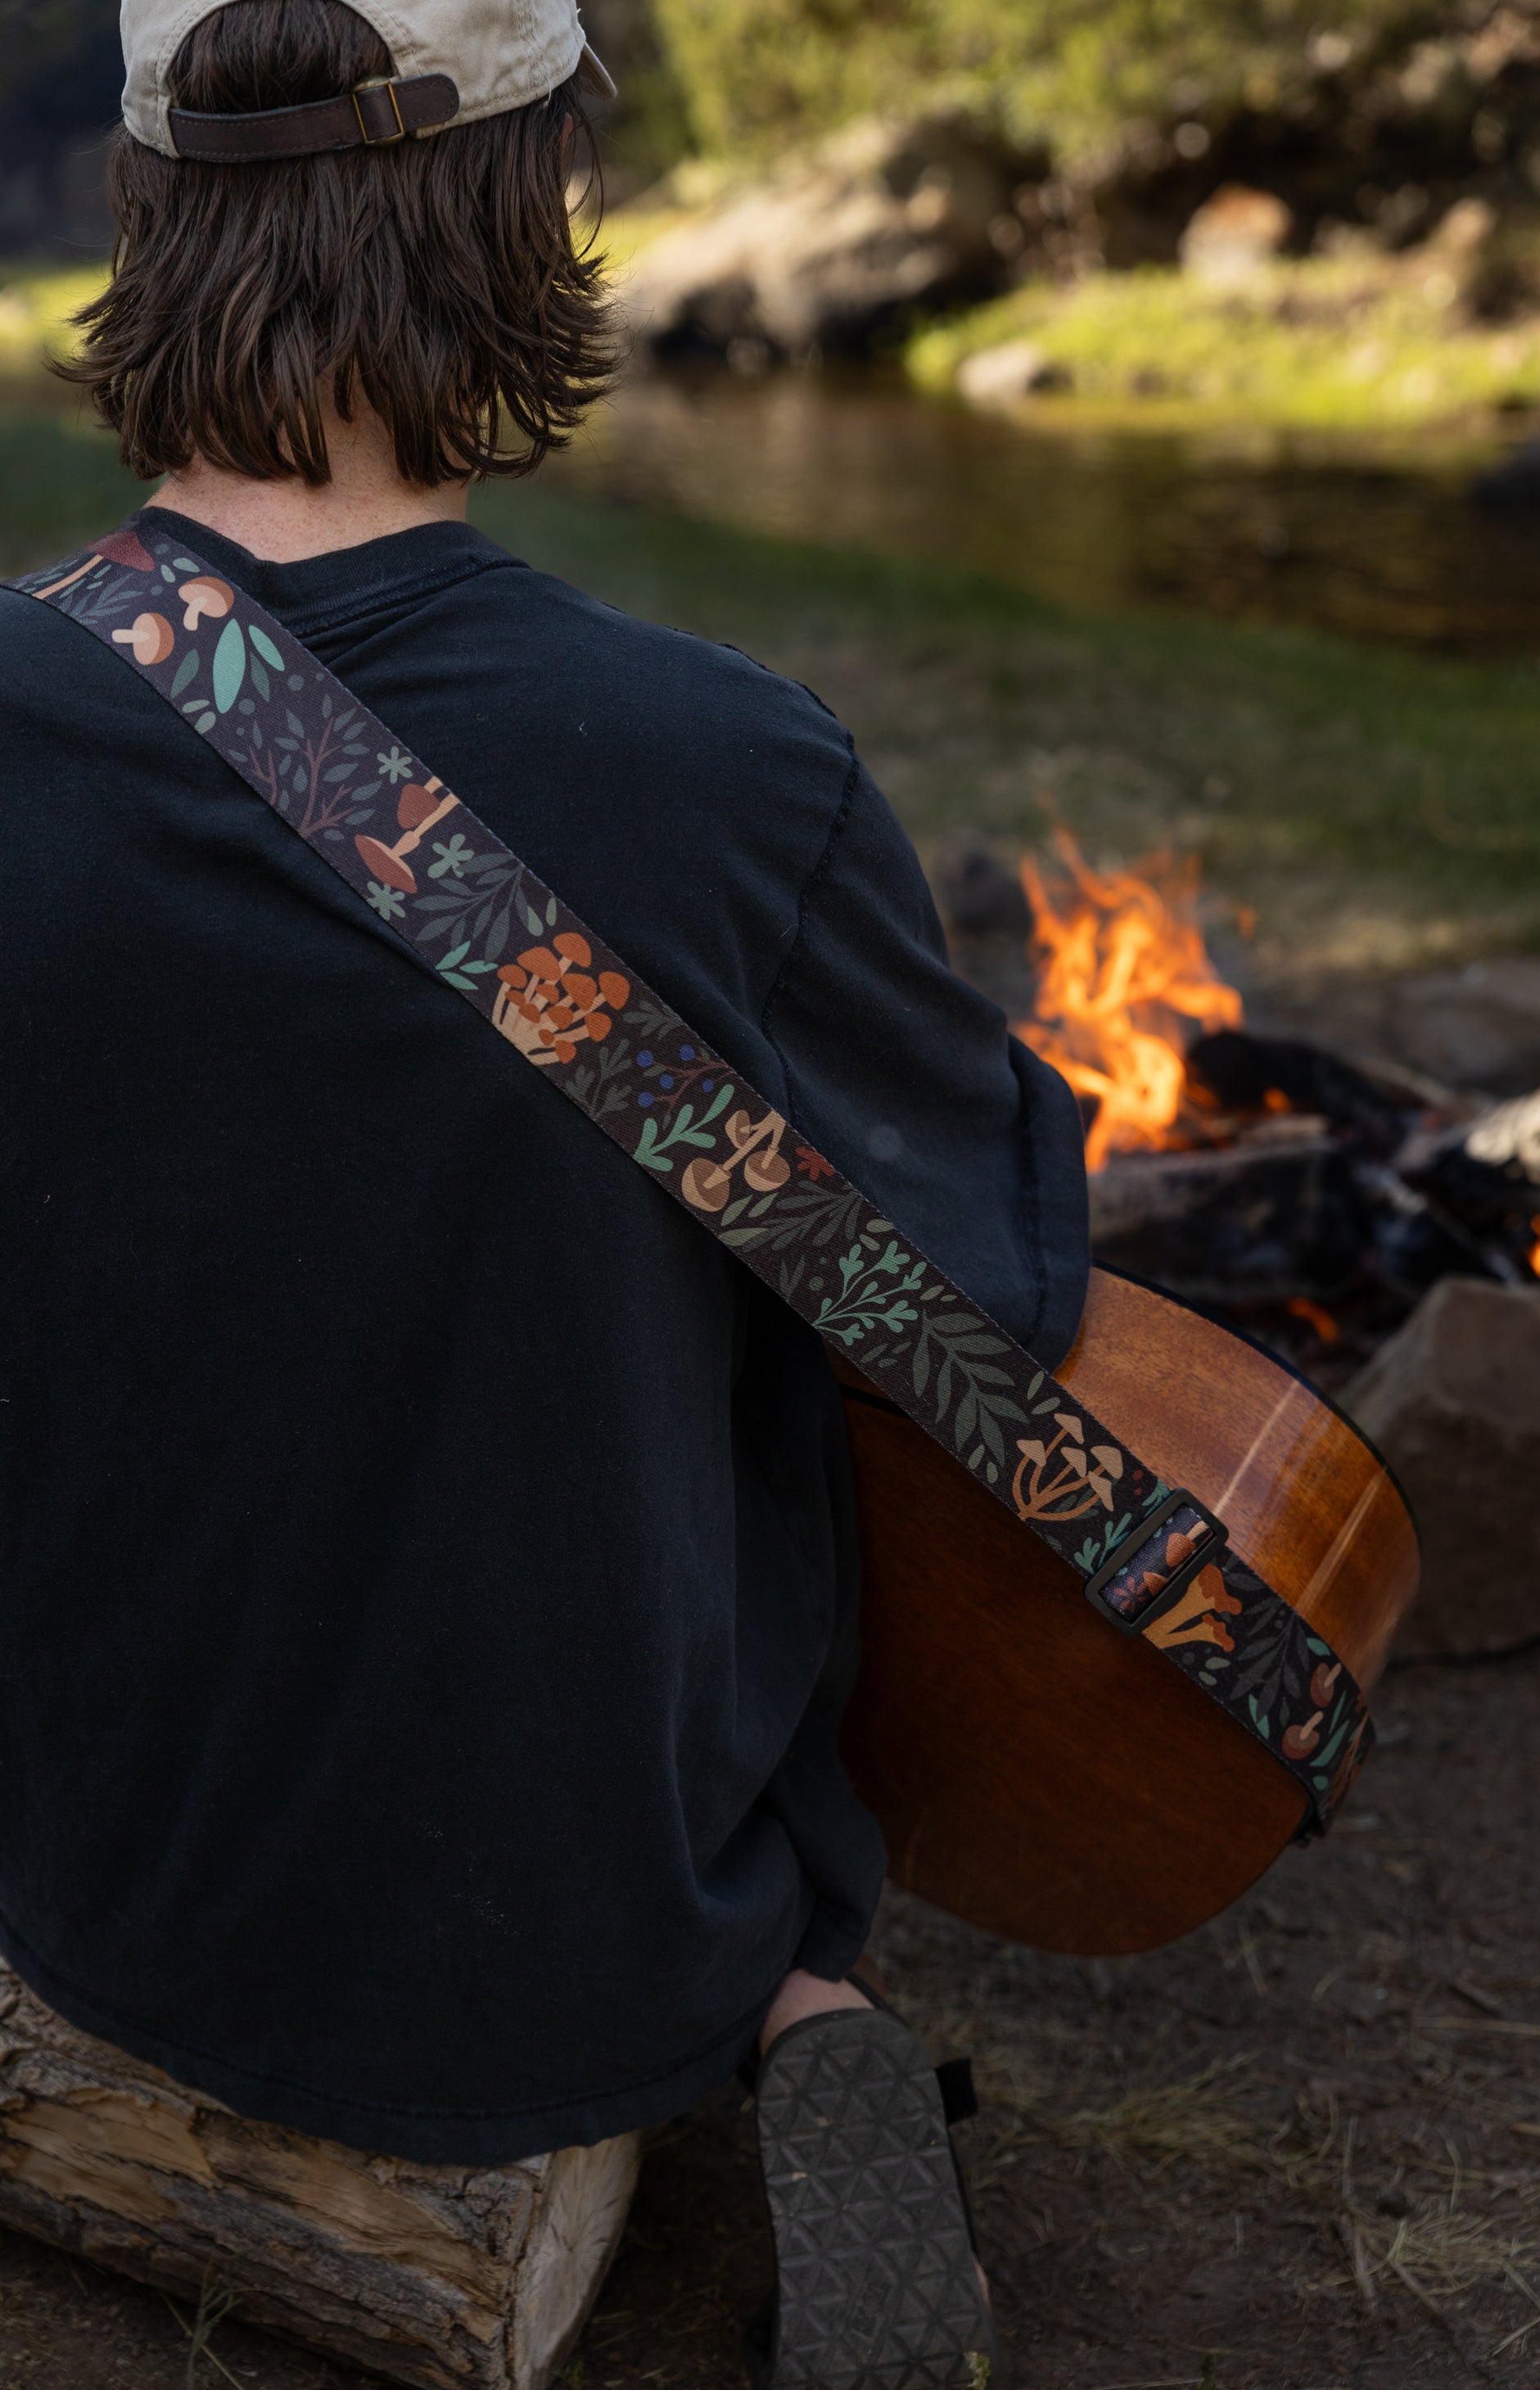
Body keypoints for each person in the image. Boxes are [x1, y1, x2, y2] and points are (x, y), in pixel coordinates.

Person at [0, 2, 1090, 2380]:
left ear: (149, 214)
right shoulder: (735, 777)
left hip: (90, 1879)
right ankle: (808, 2002)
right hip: (588, 1950)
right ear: (528, 213)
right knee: (791, 1326)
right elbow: (981, 1311)